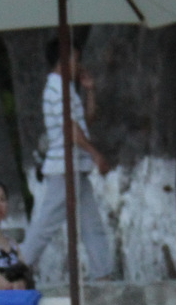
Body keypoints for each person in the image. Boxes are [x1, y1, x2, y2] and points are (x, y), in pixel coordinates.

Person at [21, 39, 113, 281]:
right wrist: (96, 154)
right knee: (46, 223)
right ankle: (18, 269)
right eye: (75, 59)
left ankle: (102, 273)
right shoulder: (56, 88)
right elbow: (71, 130)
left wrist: (90, 90)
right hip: (64, 166)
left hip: (75, 165)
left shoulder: (65, 88)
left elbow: (84, 123)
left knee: (91, 225)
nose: (78, 64)